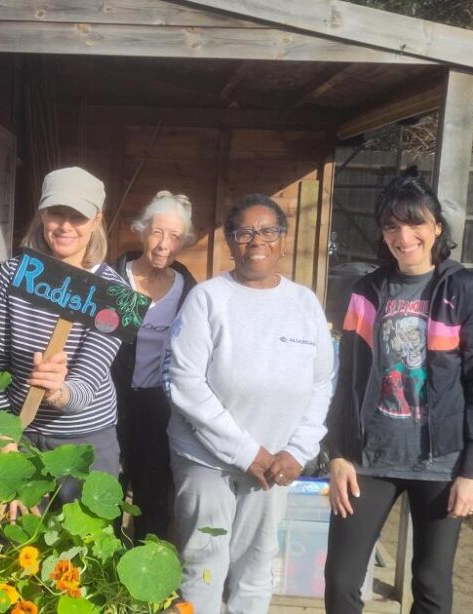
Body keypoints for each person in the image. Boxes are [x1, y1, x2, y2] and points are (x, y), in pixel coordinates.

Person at [323, 170, 473, 614]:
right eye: (391, 226)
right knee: (341, 580)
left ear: (436, 227)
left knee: (431, 584)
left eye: (415, 223)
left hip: (440, 463)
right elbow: (346, 377)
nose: (403, 237)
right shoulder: (366, 291)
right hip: (368, 459)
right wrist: (338, 453)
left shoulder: (462, 289)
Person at [165, 194, 333, 613]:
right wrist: (245, 452)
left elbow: (322, 383)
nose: (257, 241)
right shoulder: (208, 298)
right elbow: (184, 382)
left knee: (256, 567)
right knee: (204, 565)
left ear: (283, 240)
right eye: (245, 233)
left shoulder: (304, 303)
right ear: (230, 242)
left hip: (275, 464)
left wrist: (299, 450)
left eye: (268, 231)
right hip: (206, 460)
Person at [0, 167, 124, 508]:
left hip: (86, 440)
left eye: (78, 216)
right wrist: (5, 438)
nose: (65, 226)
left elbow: (86, 385)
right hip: (19, 434)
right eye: (56, 213)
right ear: (42, 214)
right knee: (17, 535)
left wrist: (59, 391)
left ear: (97, 220)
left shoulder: (114, 294)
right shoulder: (12, 275)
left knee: (84, 535)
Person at [110, 191, 199, 542]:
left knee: (155, 497)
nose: (164, 244)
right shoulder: (114, 279)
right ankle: (102, 566)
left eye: (174, 236)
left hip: (160, 406)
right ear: (142, 230)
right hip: (111, 401)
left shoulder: (189, 291)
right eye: (157, 232)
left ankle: (146, 567)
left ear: (184, 242)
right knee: (108, 491)